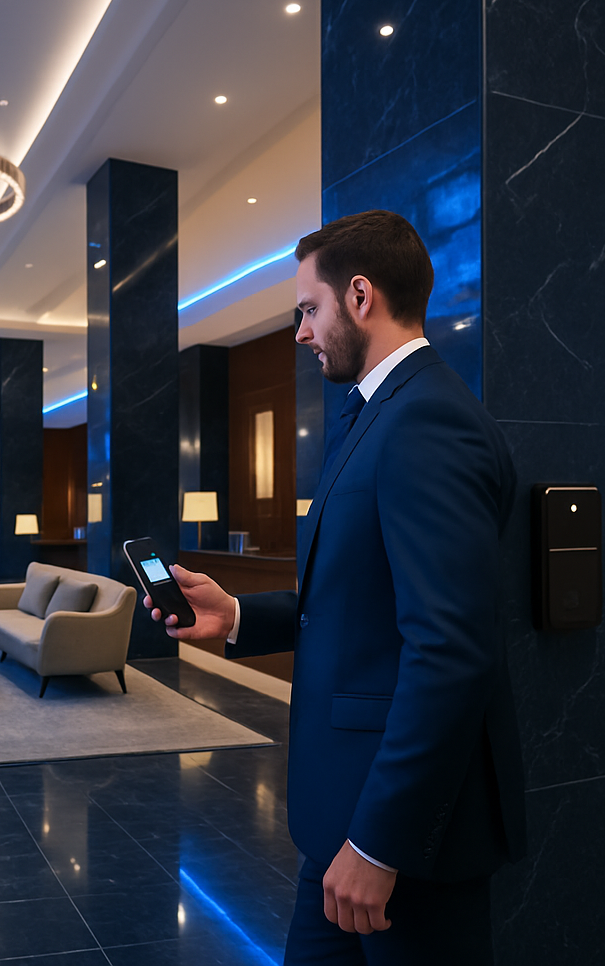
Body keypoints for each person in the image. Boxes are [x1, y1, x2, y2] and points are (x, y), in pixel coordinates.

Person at [148, 210, 525, 965]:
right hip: (341, 828)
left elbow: (450, 651)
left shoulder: (427, 423)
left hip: (402, 845)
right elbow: (359, 605)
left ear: (360, 297)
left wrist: (380, 844)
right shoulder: (376, 416)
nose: (299, 332)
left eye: (306, 310)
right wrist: (234, 619)